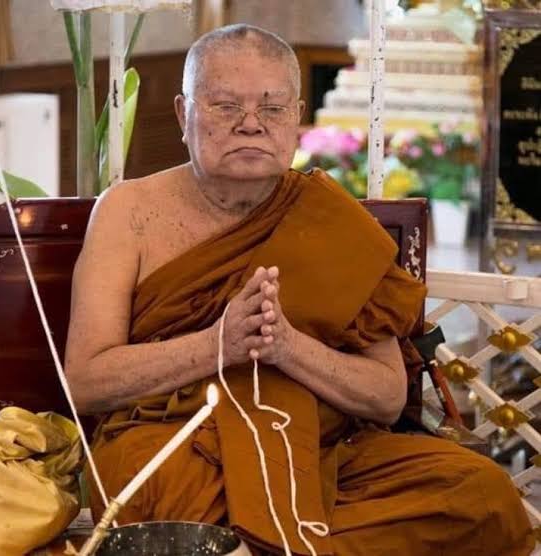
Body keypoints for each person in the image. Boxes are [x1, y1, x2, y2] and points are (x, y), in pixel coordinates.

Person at [65, 24, 534, 556]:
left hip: (317, 449)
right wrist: (217, 345)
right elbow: (85, 381)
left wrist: (287, 347)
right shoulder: (128, 213)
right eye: (225, 105)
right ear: (182, 115)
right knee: (168, 502)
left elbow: (385, 397)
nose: (250, 124)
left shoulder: (331, 222)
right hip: (176, 442)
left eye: (271, 108)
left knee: (480, 495)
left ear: (297, 119)